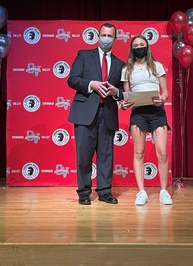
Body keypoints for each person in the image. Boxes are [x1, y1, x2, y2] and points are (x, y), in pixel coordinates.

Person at [67, 23, 125, 205]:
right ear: (98, 36)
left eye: (110, 36)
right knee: (84, 155)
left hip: (107, 113)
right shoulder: (84, 55)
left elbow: (124, 91)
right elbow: (72, 79)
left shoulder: (120, 64)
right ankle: (84, 192)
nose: (106, 38)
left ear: (115, 39)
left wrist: (117, 92)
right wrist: (91, 84)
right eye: (104, 35)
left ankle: (105, 192)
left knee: (106, 155)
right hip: (85, 113)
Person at [120, 34, 173, 206]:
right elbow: (127, 96)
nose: (139, 47)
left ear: (147, 47)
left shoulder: (157, 66)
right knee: (139, 153)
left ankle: (164, 191)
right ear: (132, 48)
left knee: (162, 152)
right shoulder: (127, 69)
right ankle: (141, 191)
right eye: (136, 45)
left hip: (157, 112)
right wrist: (125, 103)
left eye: (142, 44)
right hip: (138, 114)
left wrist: (163, 99)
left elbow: (165, 91)